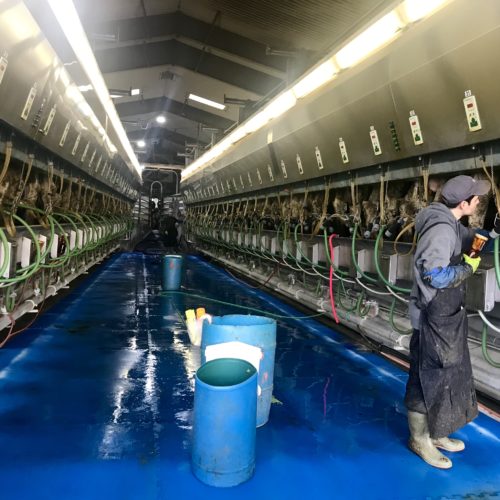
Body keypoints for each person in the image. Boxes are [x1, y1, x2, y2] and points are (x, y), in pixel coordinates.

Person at [405, 174, 499, 469]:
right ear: (464, 202)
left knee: (444, 374)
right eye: (477, 197)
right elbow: (434, 275)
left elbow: (473, 240)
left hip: (444, 315)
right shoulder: (441, 230)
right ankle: (420, 440)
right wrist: (467, 269)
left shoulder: (451, 223)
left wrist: (494, 233)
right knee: (425, 376)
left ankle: (436, 432)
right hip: (430, 316)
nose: (479, 201)